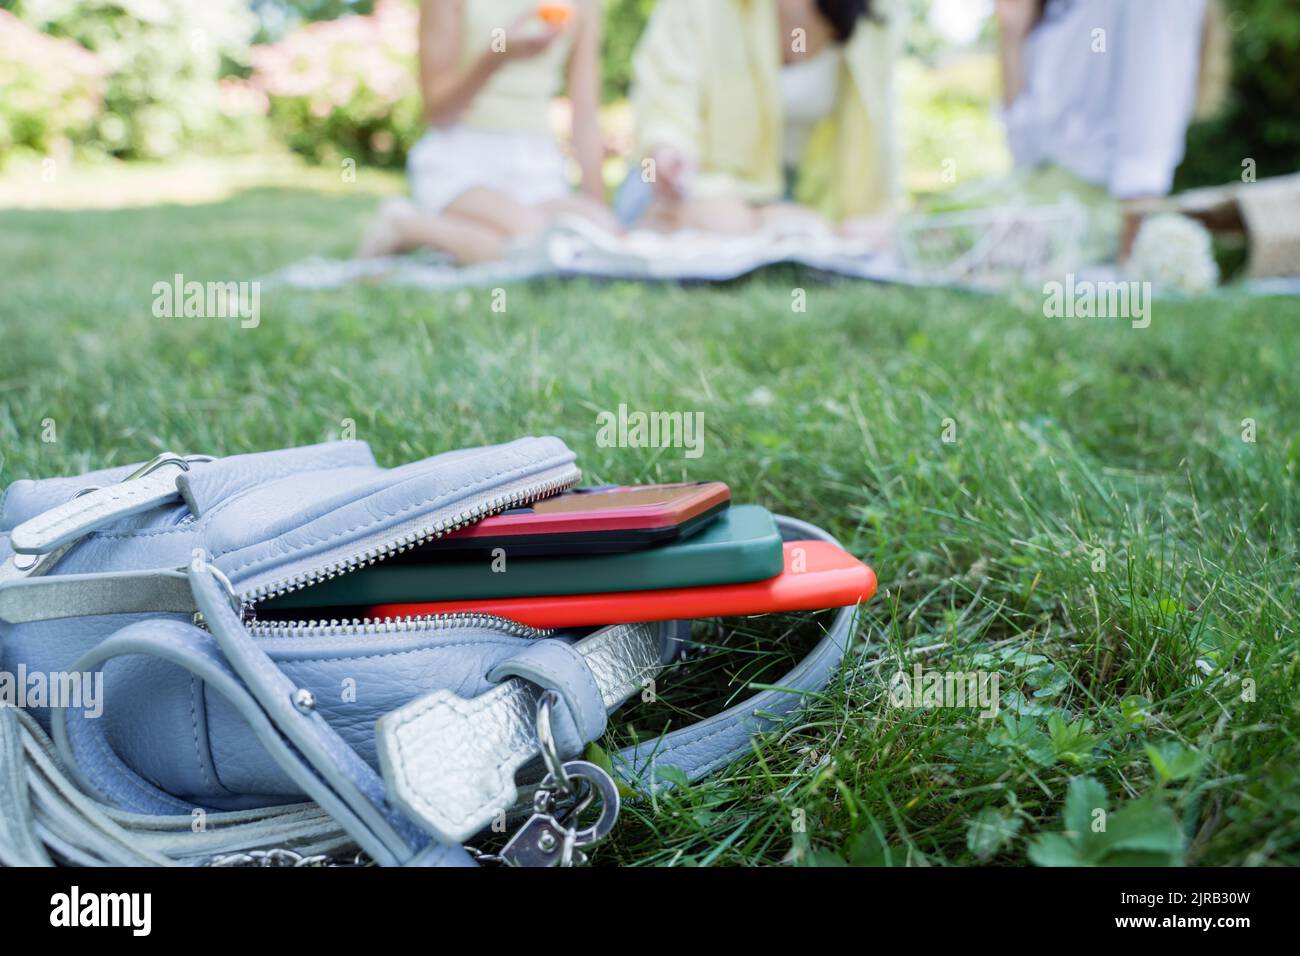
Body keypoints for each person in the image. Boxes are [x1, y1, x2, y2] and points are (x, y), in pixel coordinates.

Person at [360, 0, 618, 263]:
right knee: (539, 245)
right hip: (462, 159)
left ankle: (427, 231)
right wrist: (497, 56)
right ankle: (404, 225)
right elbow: (436, 112)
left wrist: (599, 223)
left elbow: (585, 118)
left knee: (599, 234)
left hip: (539, 166)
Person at [624, 0, 900, 237]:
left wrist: (873, 214)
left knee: (827, 230)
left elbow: (875, 126)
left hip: (792, 198)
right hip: (695, 184)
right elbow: (665, 98)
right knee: (728, 222)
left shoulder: (874, 14)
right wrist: (668, 150)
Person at [994, 0, 1229, 258]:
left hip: (1087, 222)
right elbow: (1024, 148)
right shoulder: (1056, 10)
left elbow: (1146, 145)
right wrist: (1011, 34)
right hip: (1027, 199)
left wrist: (1128, 274)